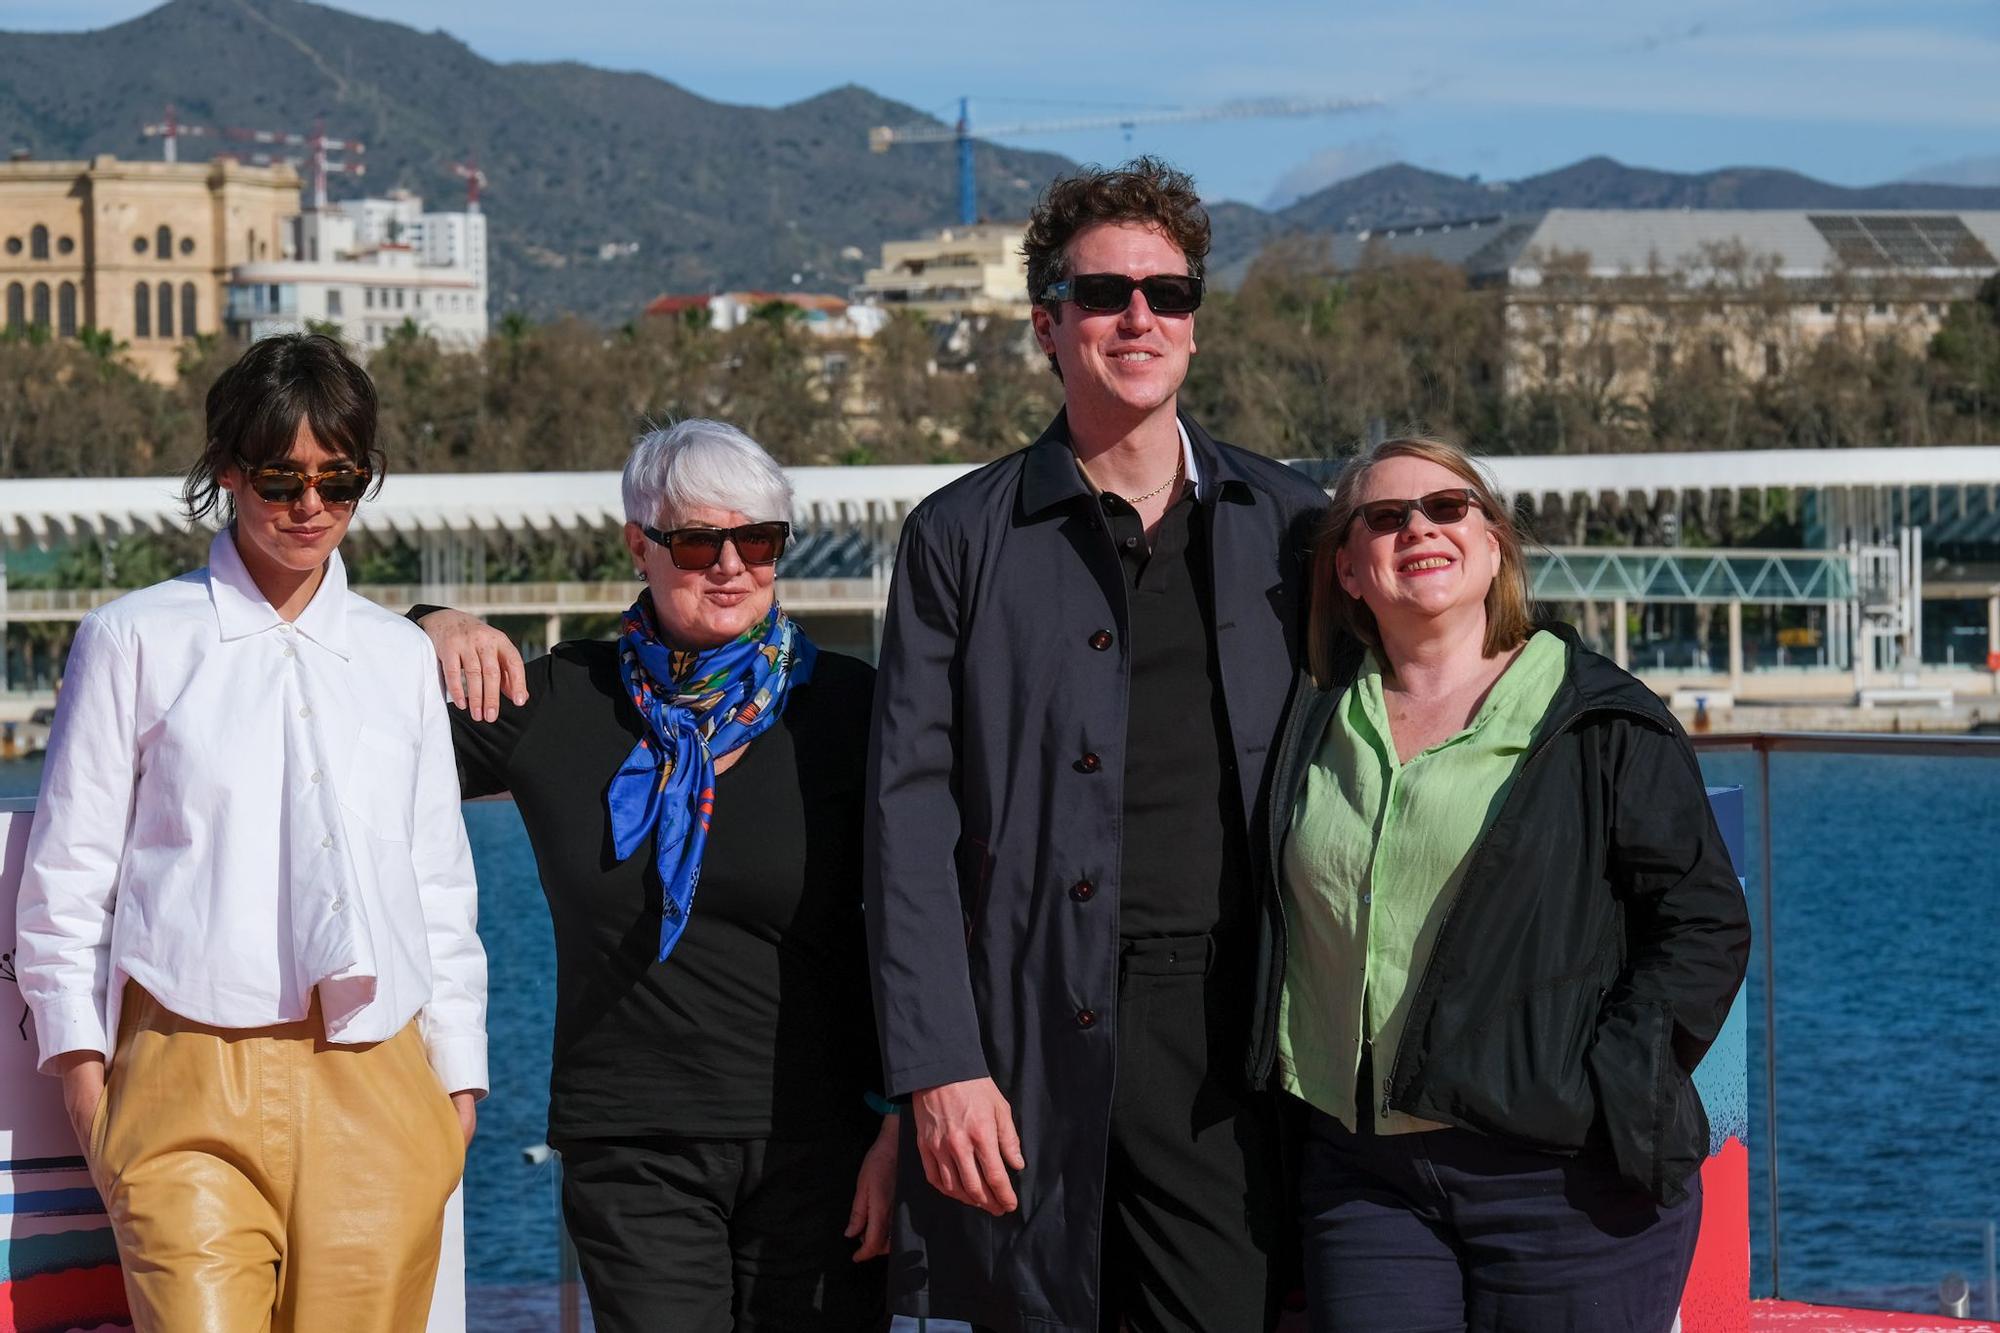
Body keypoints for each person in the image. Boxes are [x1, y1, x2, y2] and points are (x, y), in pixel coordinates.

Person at [865, 156, 1328, 1332]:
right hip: (1022, 1029)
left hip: (1231, 1037)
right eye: (1104, 293)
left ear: (1193, 324)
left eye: (1166, 295)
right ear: (1046, 326)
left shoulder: (1291, 528)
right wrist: (935, 1067)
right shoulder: (958, 538)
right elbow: (907, 822)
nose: (1138, 317)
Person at [13, 332, 487, 1332]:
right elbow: (68, 880)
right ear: (229, 471)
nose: (310, 505)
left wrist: (455, 1097)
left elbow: (438, 883)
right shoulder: (134, 637)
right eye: (281, 478)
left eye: (339, 477)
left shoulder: (396, 656)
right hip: (182, 1080)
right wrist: (89, 1089)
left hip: (378, 1083)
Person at [416, 418, 896, 1332]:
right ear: (639, 543)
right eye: (694, 540)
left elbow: (927, 922)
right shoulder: (555, 701)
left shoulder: (851, 709)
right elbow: (339, 702)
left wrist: (902, 1122)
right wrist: (426, 625)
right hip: (631, 1150)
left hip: (824, 1146)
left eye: (756, 539)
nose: (728, 564)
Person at [1267, 436, 1751, 1332]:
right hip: (1365, 1177)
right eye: (1385, 516)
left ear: (1493, 547)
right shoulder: (1312, 724)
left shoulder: (1596, 720)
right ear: (1347, 568)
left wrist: (1614, 1080)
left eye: (1449, 508)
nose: (1420, 526)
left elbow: (1702, 922)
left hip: (1563, 1181)